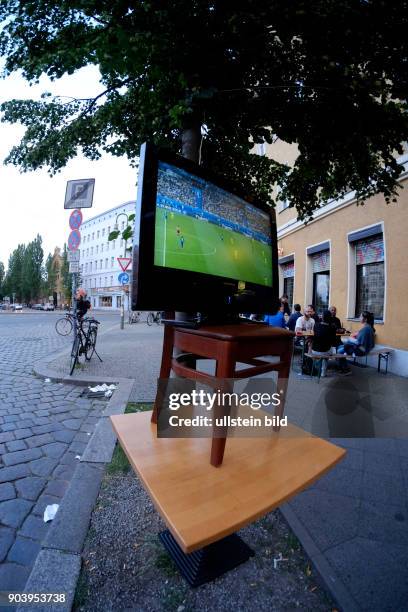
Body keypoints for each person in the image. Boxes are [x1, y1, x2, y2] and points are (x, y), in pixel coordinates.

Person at [311, 310, 337, 377]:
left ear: (322, 317)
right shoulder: (332, 327)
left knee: (323, 349)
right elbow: (334, 341)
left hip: (314, 350)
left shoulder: (316, 325)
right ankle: (323, 372)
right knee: (328, 352)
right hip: (325, 351)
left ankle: (316, 368)